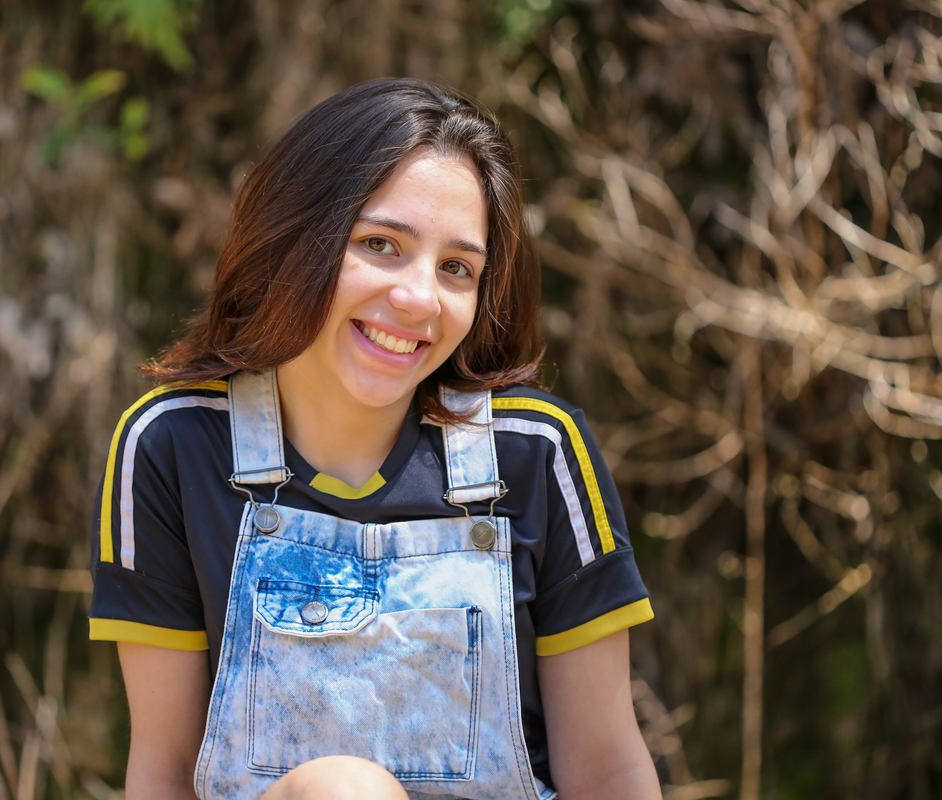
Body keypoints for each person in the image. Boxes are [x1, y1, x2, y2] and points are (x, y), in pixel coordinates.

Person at [89, 78, 660, 799]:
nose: (419, 298)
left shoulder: (536, 451)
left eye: (456, 268)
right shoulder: (172, 445)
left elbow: (607, 770)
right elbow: (164, 775)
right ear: (294, 237)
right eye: (380, 244)